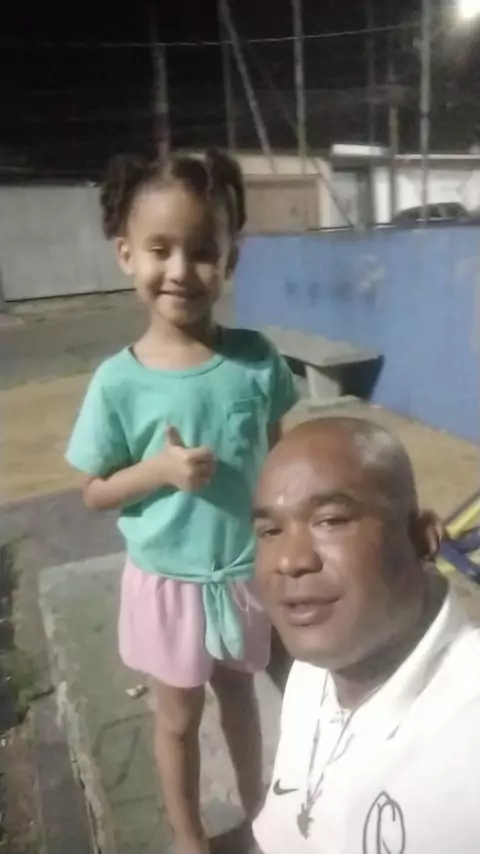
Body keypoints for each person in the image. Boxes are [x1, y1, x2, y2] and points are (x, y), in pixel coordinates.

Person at [65, 149, 298, 854]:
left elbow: (280, 461)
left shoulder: (257, 360)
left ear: (231, 259)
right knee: (176, 719)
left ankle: (259, 812)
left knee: (243, 702)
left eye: (202, 251)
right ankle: (188, 835)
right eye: (160, 249)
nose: (180, 270)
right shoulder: (117, 382)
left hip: (243, 577)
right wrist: (159, 470)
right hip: (168, 584)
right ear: (125, 254)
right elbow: (94, 490)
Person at [252, 417, 480, 854]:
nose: (289, 560)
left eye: (330, 520)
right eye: (270, 531)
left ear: (421, 539)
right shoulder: (313, 671)